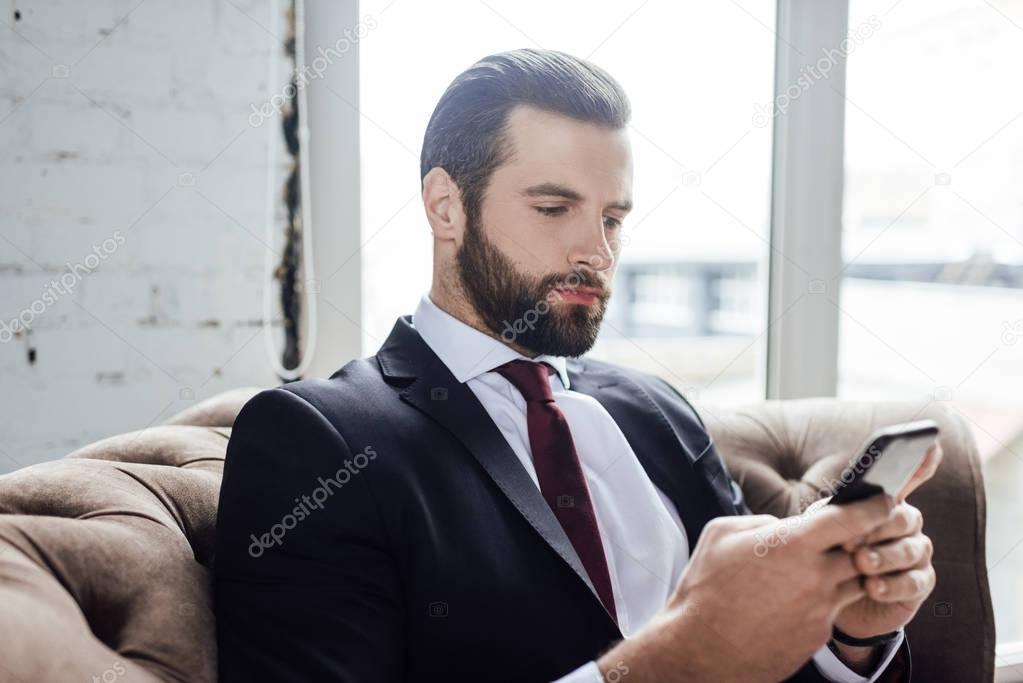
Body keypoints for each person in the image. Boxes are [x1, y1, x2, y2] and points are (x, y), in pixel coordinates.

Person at [214, 48, 938, 682]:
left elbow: (761, 653)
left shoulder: (654, 410)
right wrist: (674, 660)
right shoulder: (315, 440)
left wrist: (851, 634)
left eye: (612, 218)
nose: (596, 250)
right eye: (554, 207)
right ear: (445, 207)